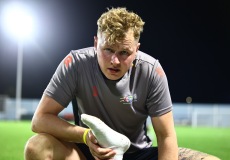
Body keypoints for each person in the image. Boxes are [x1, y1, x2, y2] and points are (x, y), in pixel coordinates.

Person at [24, 7, 220, 160]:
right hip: (89, 153)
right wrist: (86, 137)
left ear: (137, 49)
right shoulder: (75, 64)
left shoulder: (151, 71)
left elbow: (166, 135)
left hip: (138, 155)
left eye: (124, 52)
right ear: (95, 43)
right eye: (108, 49)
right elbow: (40, 119)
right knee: (37, 147)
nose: (114, 61)